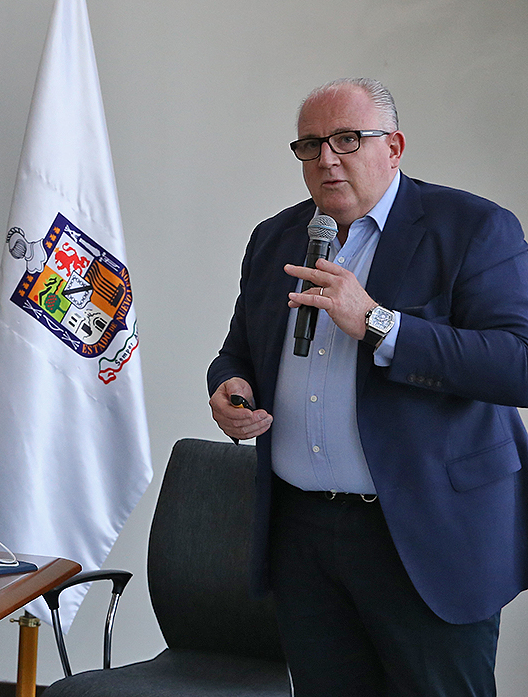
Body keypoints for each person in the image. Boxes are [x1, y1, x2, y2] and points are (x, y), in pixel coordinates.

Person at [207, 78, 528, 697]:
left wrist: (380, 323)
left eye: (348, 139)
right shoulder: (275, 238)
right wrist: (230, 387)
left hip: (423, 533)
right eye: (310, 145)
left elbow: (517, 363)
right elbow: (238, 351)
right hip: (303, 534)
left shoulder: (473, 227)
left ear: (394, 147)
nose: (327, 158)